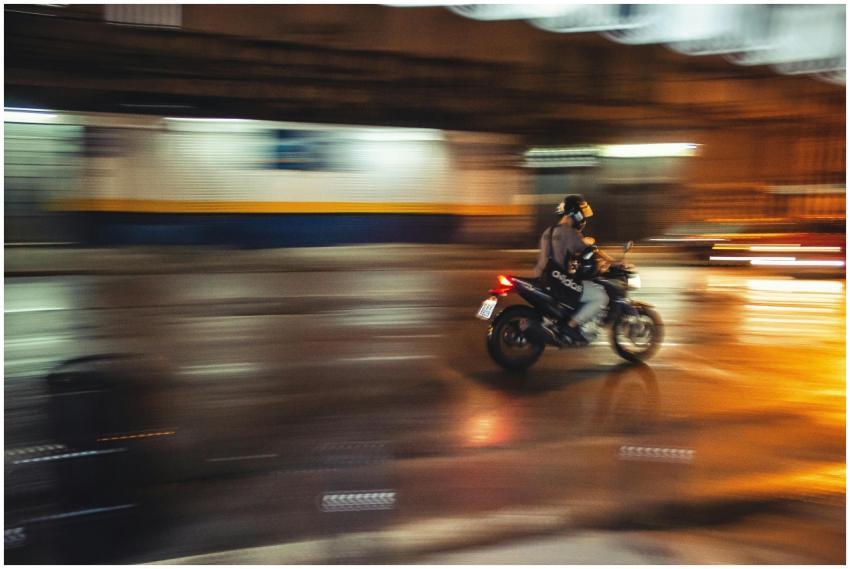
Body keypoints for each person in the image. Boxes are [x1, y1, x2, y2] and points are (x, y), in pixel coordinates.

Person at [533, 194, 615, 343]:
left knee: (582, 286)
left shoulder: (549, 231)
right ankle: (570, 326)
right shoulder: (569, 232)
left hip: (543, 279)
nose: (584, 219)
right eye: (582, 214)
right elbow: (590, 250)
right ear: (575, 213)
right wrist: (613, 262)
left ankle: (564, 321)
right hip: (558, 281)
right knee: (600, 296)